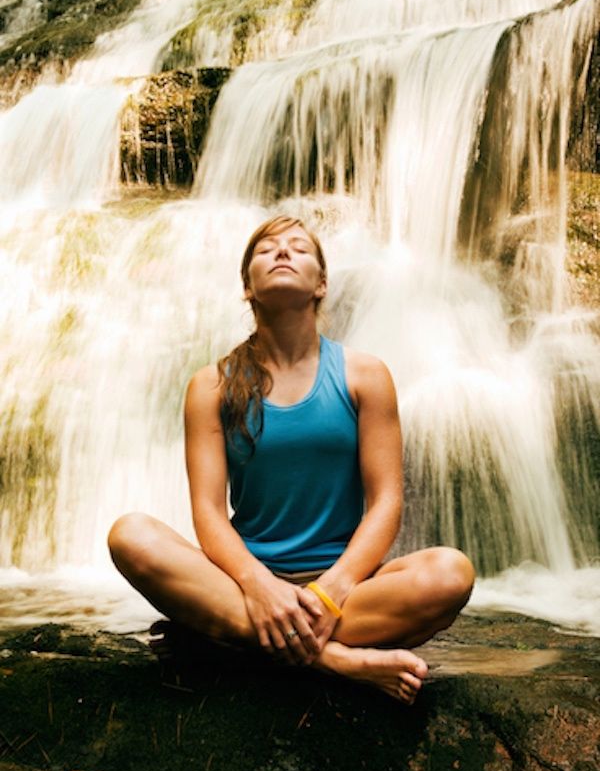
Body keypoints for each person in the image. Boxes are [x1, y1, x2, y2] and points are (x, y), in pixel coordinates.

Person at [108, 215, 475, 705]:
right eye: (266, 249)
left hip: (345, 592)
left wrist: (331, 591)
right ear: (246, 287)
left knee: (451, 573)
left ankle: (226, 640)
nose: (282, 253)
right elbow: (209, 515)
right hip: (242, 584)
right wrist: (259, 587)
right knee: (130, 535)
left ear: (321, 284)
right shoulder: (211, 386)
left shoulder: (364, 375)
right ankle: (336, 660)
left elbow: (386, 501)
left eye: (299, 248)